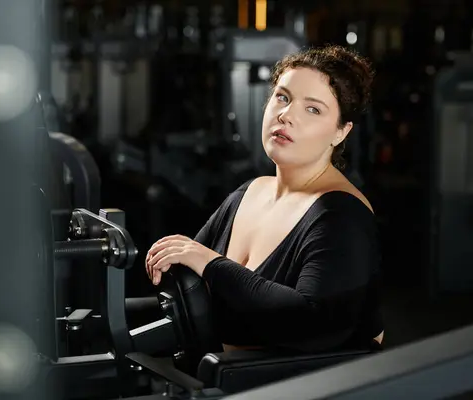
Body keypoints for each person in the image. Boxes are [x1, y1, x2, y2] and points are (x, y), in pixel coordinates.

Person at [145, 45, 384, 353]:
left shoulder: (341, 216)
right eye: (282, 98)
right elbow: (187, 286)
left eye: (313, 109)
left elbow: (310, 324)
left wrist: (210, 263)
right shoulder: (250, 193)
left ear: (341, 132)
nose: (286, 115)